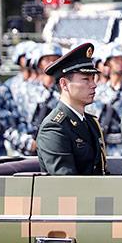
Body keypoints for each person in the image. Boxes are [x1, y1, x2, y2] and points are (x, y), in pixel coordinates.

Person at [37, 42, 107, 175]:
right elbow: (66, 182)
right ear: (64, 84)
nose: (94, 85)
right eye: (86, 79)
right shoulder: (55, 127)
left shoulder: (90, 122)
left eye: (93, 78)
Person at [88, 42, 122, 157]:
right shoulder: (97, 92)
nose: (121, 63)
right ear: (108, 62)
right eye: (117, 59)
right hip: (101, 149)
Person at [14, 43, 64, 156]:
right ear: (38, 62)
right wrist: (26, 142)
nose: (52, 63)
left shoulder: (66, 92)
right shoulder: (23, 90)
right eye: (47, 60)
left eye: (56, 59)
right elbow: (11, 124)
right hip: (25, 152)